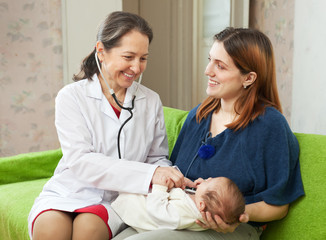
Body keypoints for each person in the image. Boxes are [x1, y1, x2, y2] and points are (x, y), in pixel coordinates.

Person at [112, 27, 305, 240]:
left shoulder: (269, 125)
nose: (208, 70)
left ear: (248, 78)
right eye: (210, 60)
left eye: (220, 66)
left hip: (231, 228)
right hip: (178, 213)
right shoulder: (200, 114)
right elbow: (175, 173)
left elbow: (278, 205)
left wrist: (235, 216)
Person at [28, 11, 185, 240]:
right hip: (70, 189)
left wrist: (165, 173)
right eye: (128, 57)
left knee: (88, 229)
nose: (136, 67)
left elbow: (156, 158)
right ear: (101, 51)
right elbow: (81, 162)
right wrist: (152, 172)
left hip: (118, 197)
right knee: (50, 229)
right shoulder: (71, 97)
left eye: (143, 58)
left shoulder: (150, 101)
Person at [111, 176, 245, 232]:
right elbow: (184, 198)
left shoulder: (184, 215)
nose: (208, 178)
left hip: (135, 210)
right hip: (145, 201)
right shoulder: (199, 206)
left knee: (128, 195)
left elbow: (158, 211)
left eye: (209, 182)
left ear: (202, 205)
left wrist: (160, 188)